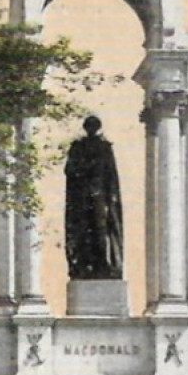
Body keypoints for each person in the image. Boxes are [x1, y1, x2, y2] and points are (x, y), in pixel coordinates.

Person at [64, 116, 124, 280]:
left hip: (100, 196)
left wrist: (110, 197)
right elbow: (69, 170)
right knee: (83, 230)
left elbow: (111, 173)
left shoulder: (105, 147)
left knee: (101, 230)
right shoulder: (77, 147)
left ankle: (103, 264)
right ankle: (84, 265)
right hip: (82, 196)